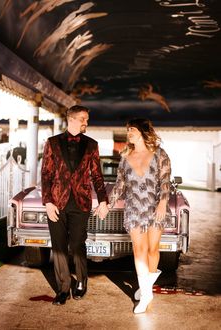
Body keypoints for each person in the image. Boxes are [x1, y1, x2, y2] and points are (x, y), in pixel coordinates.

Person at [41, 105, 108, 305]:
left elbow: (97, 175)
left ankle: (81, 281)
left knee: (77, 244)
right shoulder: (52, 143)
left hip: (81, 203)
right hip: (57, 203)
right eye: (82, 118)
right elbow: (46, 174)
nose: (86, 122)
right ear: (71, 119)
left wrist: (103, 200)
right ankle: (62, 288)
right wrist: (48, 202)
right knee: (59, 247)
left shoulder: (91, 145)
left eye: (87, 118)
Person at [108, 118, 171, 314]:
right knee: (139, 251)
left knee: (152, 250)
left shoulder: (160, 154)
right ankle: (145, 296)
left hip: (155, 208)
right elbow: (119, 185)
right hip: (134, 210)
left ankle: (146, 288)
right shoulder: (125, 156)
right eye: (128, 130)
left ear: (143, 132)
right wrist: (108, 204)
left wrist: (162, 203)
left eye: (132, 129)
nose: (129, 133)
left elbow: (165, 181)